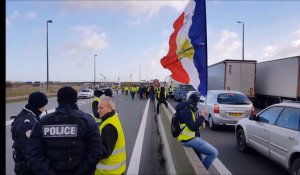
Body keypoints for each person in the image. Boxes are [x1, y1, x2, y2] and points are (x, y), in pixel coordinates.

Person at [26, 86, 103, 175]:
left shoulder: (43, 122)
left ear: (58, 100)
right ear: (75, 100)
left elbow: (33, 155)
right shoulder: (87, 121)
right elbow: (96, 152)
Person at [176, 93, 218, 170]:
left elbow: (192, 124)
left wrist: (201, 122)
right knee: (214, 153)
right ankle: (203, 172)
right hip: (189, 139)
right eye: (196, 103)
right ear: (194, 103)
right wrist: (202, 116)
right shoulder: (186, 111)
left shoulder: (186, 109)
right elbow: (192, 127)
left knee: (201, 159)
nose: (197, 105)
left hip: (189, 138)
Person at [11, 92, 48, 175]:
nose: (44, 108)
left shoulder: (29, 116)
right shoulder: (27, 123)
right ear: (38, 105)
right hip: (29, 168)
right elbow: (29, 150)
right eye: (43, 106)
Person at [94, 95, 126, 175]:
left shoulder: (109, 126)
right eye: (98, 107)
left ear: (110, 109)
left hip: (108, 172)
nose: (98, 111)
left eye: (101, 108)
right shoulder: (111, 118)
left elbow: (103, 152)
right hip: (115, 169)